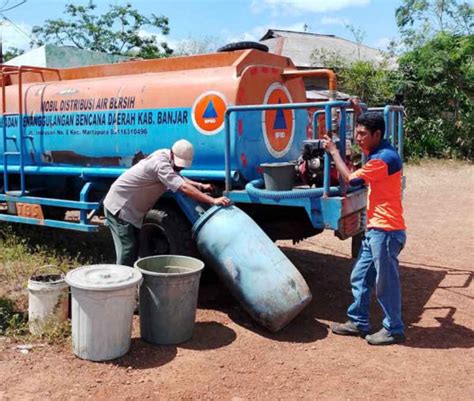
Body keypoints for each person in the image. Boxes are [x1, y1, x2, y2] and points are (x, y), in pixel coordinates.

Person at [322, 101, 407, 346]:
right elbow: (369, 137)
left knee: (385, 283)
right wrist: (360, 111)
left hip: (387, 231)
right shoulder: (381, 149)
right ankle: (358, 321)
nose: (358, 138)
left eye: (362, 134)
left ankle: (394, 328)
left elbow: (349, 179)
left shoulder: (383, 160)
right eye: (356, 133)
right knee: (360, 276)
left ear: (377, 135)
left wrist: (333, 151)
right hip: (376, 229)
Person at [103, 139, 231, 267]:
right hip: (120, 206)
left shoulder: (166, 156)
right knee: (127, 249)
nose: (180, 168)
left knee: (134, 247)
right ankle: (120, 283)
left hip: (132, 210)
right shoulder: (160, 163)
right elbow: (183, 187)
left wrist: (200, 185)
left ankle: (131, 281)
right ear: (173, 154)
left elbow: (177, 176)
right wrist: (213, 200)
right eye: (180, 165)